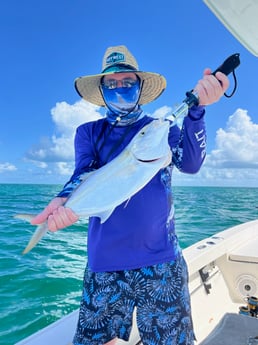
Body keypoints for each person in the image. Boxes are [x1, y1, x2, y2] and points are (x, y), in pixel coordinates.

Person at [31, 45, 229, 345]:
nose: (119, 88)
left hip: (162, 260)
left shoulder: (158, 131)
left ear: (140, 87)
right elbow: (82, 174)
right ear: (102, 89)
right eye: (111, 83)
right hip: (105, 265)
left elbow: (190, 163)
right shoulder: (89, 132)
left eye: (127, 82)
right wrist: (64, 200)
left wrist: (198, 111)